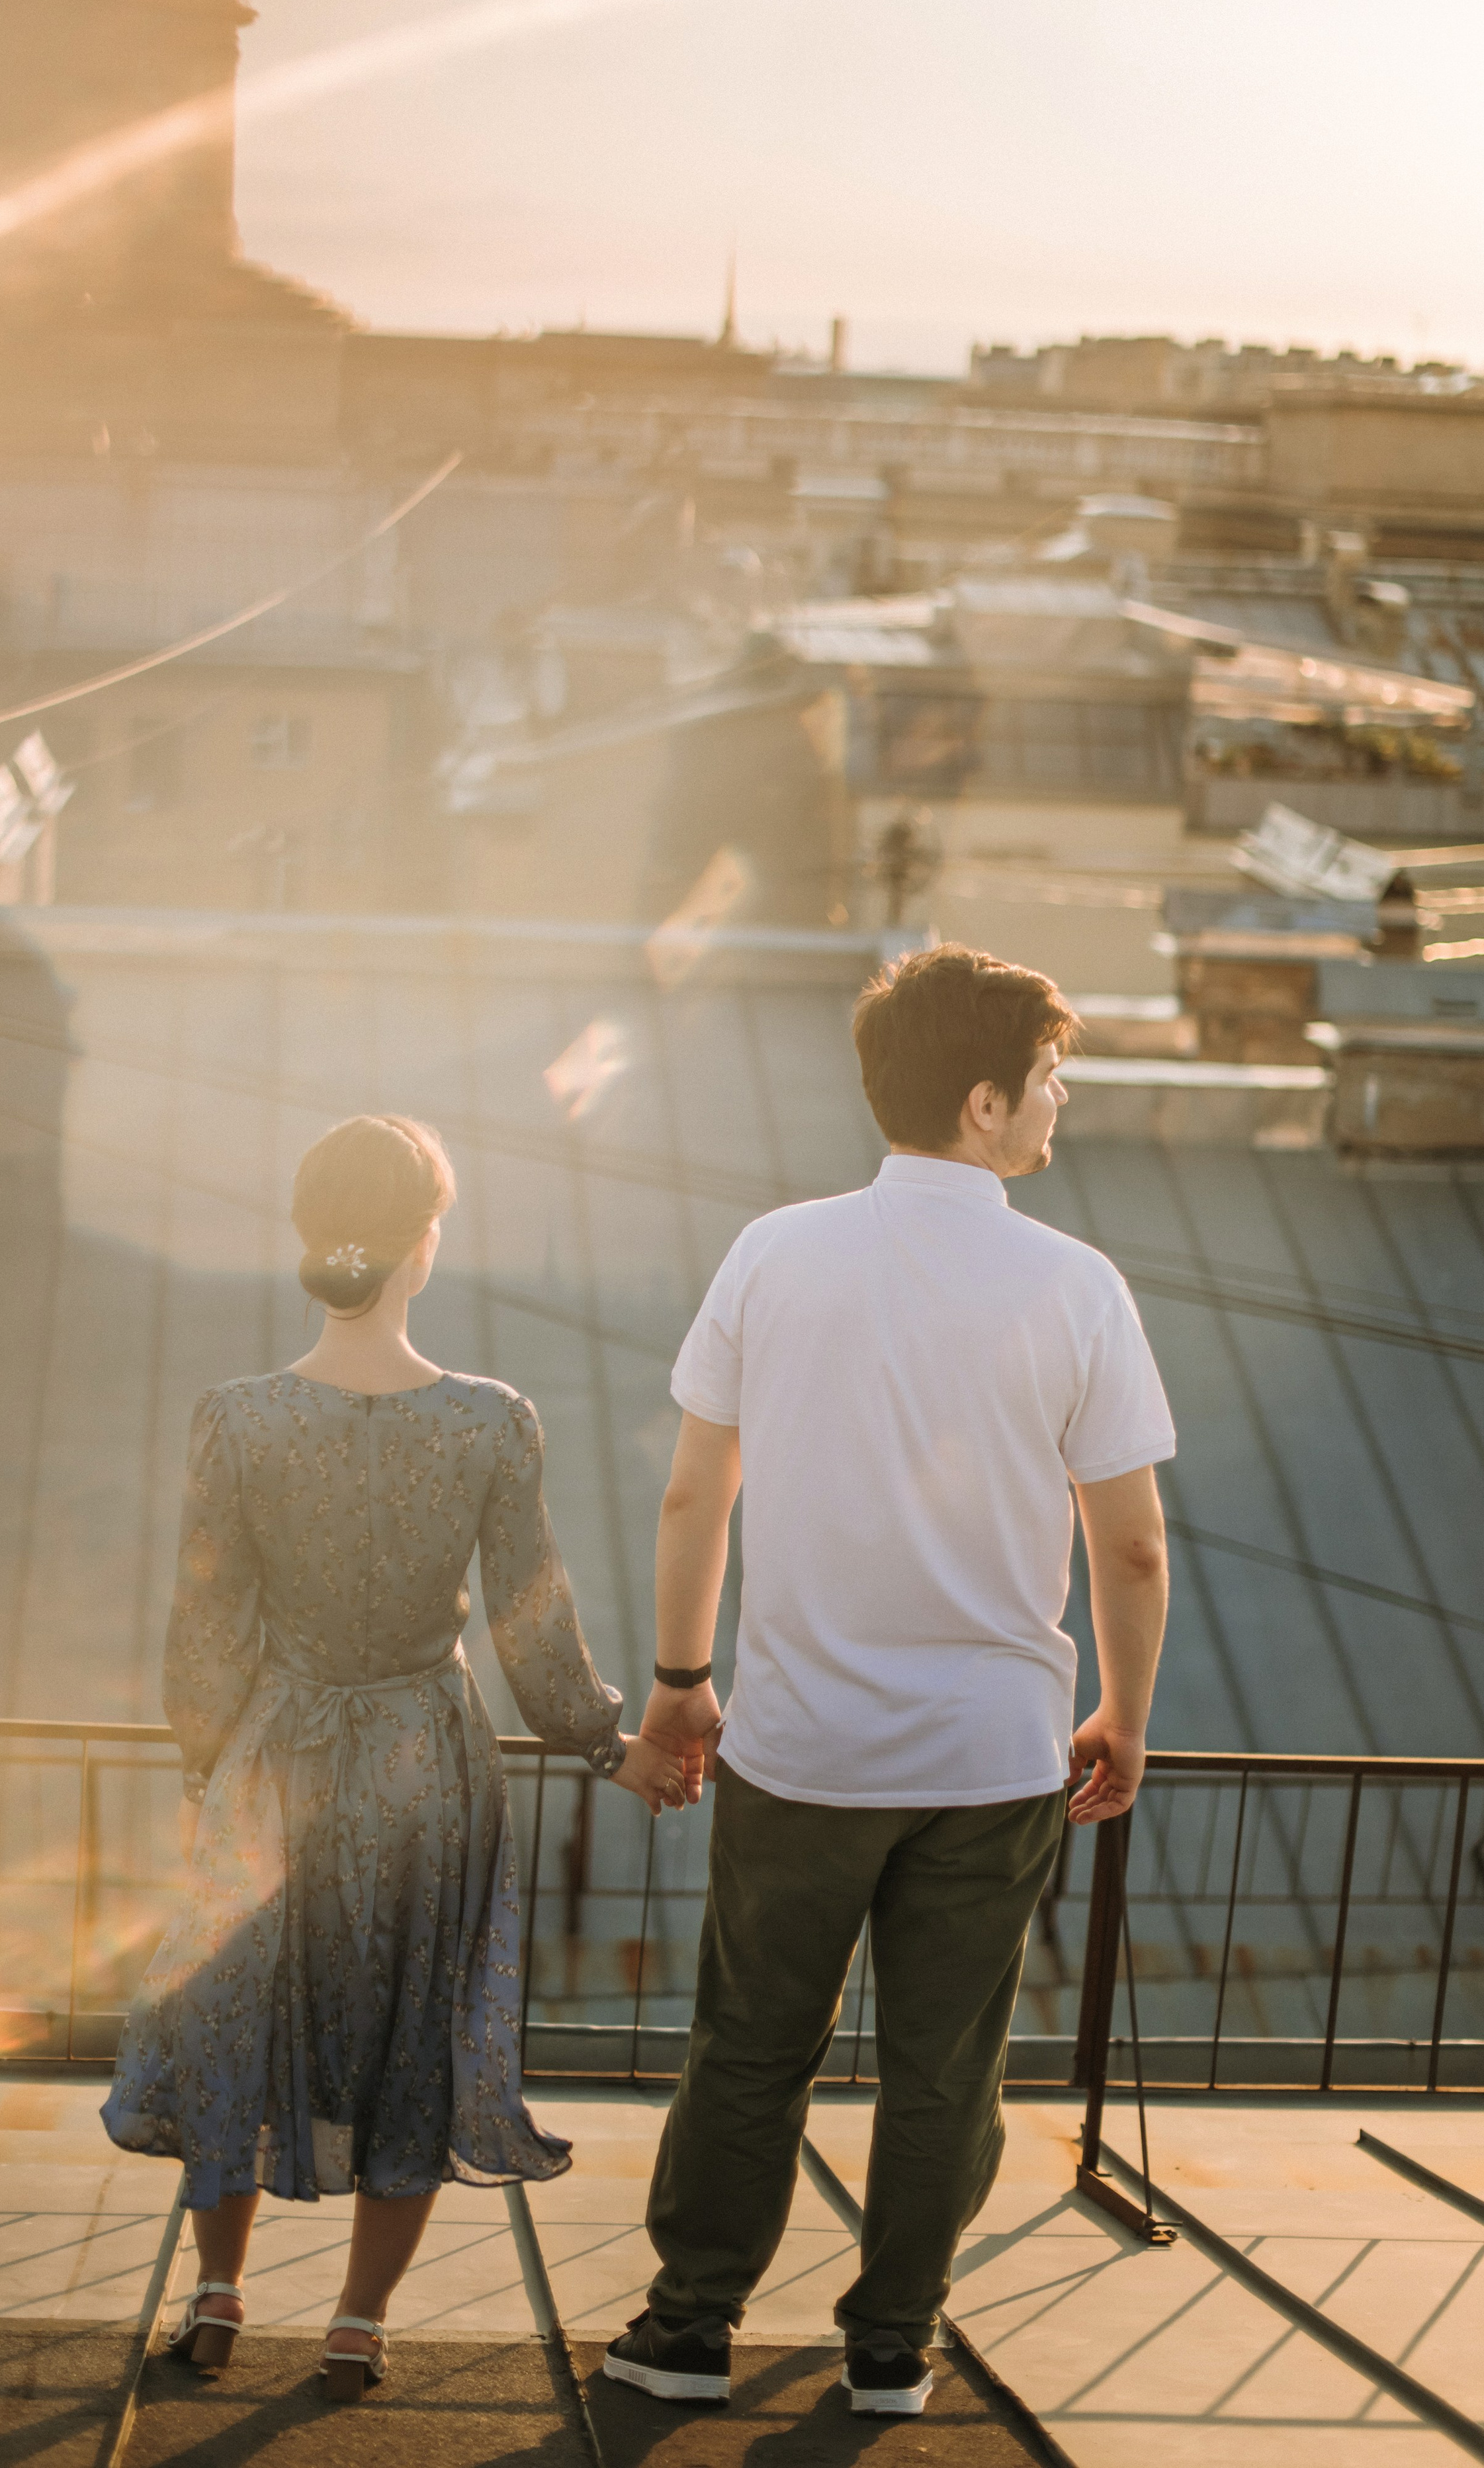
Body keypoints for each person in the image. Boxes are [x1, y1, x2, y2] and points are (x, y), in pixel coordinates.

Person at [603, 945, 1175, 2418]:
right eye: (1046, 1078)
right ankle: (888, 2345)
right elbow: (1127, 1551)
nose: (1058, 1103)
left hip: (797, 1750)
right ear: (984, 1104)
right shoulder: (1076, 1286)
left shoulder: (772, 1254)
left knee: (748, 2049)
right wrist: (1121, 1713)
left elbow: (690, 1500)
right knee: (944, 2070)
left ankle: (684, 2330)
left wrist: (679, 1680)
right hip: (991, 1762)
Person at [102, 1114, 681, 2400]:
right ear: (423, 1248)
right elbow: (533, 1622)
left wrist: (212, 1763)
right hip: (428, 1762)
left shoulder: (237, 1420)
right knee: (419, 2029)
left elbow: (203, 1627)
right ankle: (358, 2325)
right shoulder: (488, 1423)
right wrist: (609, 1745)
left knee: (235, 2015)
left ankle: (216, 2295)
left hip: (275, 1761)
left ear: (313, 1242)